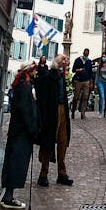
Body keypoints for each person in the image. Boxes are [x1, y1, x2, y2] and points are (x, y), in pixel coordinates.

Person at [0, 63, 39, 209]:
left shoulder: (21, 84)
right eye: (34, 70)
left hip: (16, 131)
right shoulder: (26, 86)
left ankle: (7, 195)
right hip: (21, 132)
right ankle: (9, 198)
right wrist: (32, 129)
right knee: (17, 163)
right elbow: (26, 109)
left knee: (13, 162)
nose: (36, 72)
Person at [35, 54, 73, 187]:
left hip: (63, 110)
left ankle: (62, 174)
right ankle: (43, 174)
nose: (67, 62)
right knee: (48, 142)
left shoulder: (62, 76)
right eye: (64, 60)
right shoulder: (48, 76)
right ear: (59, 62)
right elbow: (42, 96)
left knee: (62, 141)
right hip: (52, 111)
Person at [71, 48, 94, 120]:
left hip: (86, 81)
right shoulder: (78, 60)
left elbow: (90, 73)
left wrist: (91, 82)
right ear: (83, 53)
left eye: (88, 53)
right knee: (76, 97)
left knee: (85, 97)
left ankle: (83, 114)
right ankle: (73, 111)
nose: (86, 54)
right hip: (78, 80)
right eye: (85, 53)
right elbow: (73, 70)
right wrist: (79, 70)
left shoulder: (89, 61)